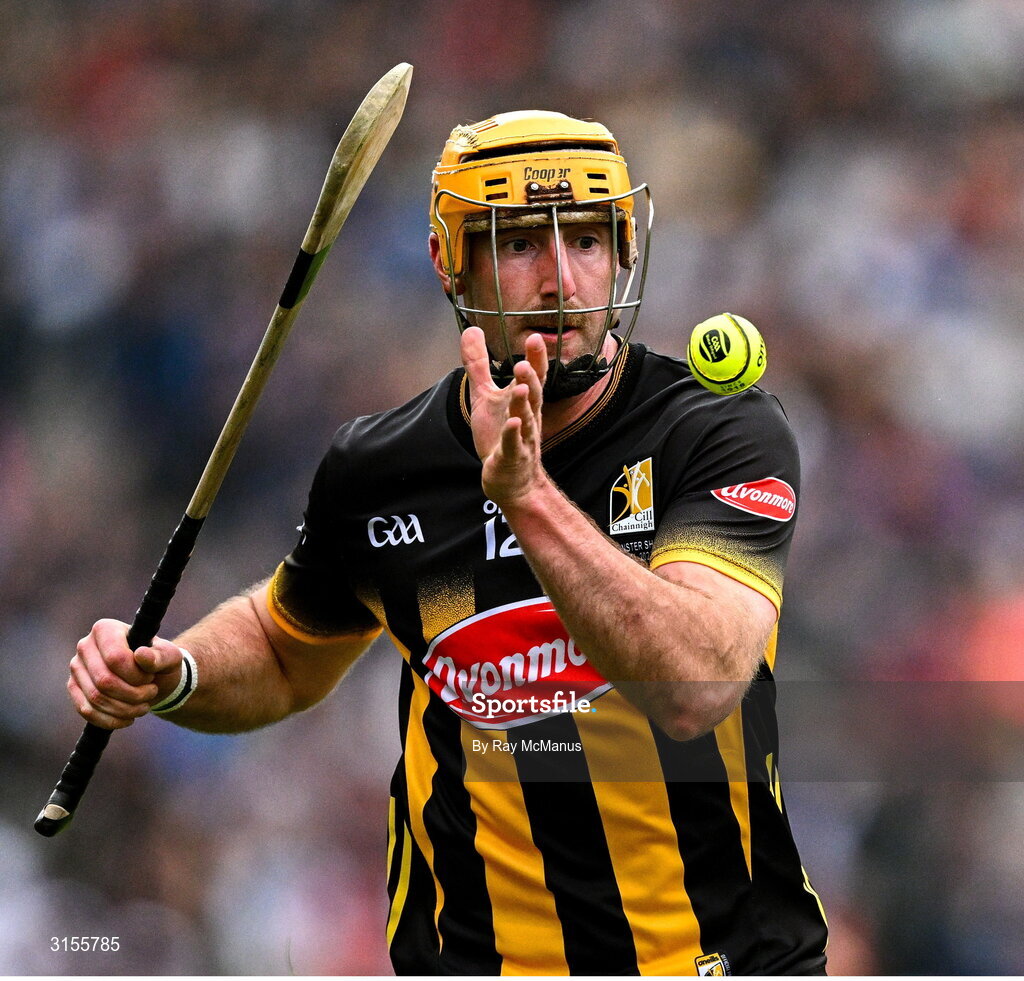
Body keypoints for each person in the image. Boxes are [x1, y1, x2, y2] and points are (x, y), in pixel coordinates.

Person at [67, 110, 829, 975]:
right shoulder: (382, 466)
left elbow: (694, 687)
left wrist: (529, 499)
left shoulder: (716, 429)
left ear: (624, 249)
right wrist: (178, 673)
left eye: (585, 239)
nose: (561, 280)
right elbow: (286, 649)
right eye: (518, 244)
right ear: (448, 262)